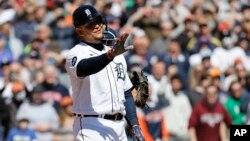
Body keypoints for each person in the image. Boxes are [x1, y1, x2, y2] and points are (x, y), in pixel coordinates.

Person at [65, 5, 144, 141]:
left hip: (119, 127)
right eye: (90, 25)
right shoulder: (76, 53)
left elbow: (126, 93)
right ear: (80, 31)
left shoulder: (117, 55)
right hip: (91, 125)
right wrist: (110, 56)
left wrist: (135, 124)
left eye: (98, 21)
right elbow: (84, 68)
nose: (96, 26)